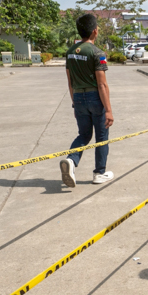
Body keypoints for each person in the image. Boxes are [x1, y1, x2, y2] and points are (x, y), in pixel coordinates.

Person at [60, 13, 114, 188]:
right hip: (94, 98)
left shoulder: (69, 53)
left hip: (78, 97)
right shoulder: (98, 53)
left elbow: (70, 82)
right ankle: (99, 172)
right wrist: (108, 110)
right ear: (95, 31)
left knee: (84, 135)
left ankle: (71, 160)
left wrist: (75, 103)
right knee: (102, 137)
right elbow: (102, 84)